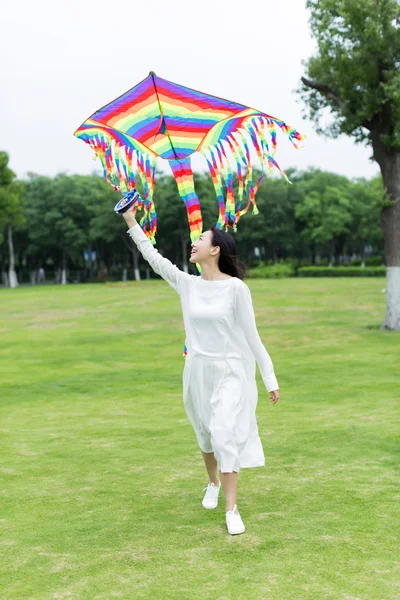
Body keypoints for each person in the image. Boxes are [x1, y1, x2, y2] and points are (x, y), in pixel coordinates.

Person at [122, 207, 280, 535]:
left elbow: (253, 337)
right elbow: (153, 257)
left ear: (215, 249)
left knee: (224, 431)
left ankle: (232, 509)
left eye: (200, 239)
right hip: (196, 370)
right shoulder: (188, 284)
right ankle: (213, 482)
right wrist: (130, 220)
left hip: (229, 371)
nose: (193, 243)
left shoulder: (237, 289)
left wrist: (269, 378)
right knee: (205, 434)